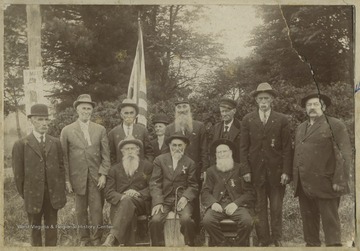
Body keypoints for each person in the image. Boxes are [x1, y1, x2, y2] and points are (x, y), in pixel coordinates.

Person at [293, 91, 352, 247]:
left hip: (326, 182)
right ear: (305, 108)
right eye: (309, 105)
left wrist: (339, 180)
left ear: (323, 107)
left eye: (316, 104)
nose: (312, 107)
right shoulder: (301, 128)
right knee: (309, 225)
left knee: (330, 223)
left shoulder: (335, 124)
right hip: (304, 184)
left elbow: (344, 154)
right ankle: (312, 246)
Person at [239, 82, 292, 246]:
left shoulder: (282, 119)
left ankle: (277, 238)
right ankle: (263, 239)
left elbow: (287, 148)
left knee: (276, 207)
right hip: (256, 173)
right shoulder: (248, 119)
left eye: (266, 98)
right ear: (256, 100)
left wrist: (286, 171)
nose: (263, 101)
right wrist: (246, 170)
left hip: (276, 173)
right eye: (260, 98)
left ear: (272, 100)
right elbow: (243, 148)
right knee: (259, 207)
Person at [12, 104, 66, 246]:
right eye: (39, 119)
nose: (44, 123)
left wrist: (59, 190)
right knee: (34, 231)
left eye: (46, 120)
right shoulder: (21, 144)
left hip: (52, 195)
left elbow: (61, 169)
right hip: (33, 195)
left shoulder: (55, 143)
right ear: (32, 121)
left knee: (52, 229)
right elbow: (18, 175)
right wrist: (26, 193)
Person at [60, 94, 110, 246]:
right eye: (83, 108)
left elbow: (105, 155)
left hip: (96, 177)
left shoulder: (100, 129)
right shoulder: (67, 130)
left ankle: (96, 239)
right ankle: (84, 239)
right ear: (77, 109)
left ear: (92, 111)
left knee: (96, 210)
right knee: (80, 211)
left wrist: (103, 174)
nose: (86, 111)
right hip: (77, 177)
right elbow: (64, 159)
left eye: (89, 108)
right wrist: (67, 180)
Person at [164, 97, 209, 231]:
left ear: (189, 108)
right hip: (176, 171)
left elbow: (204, 149)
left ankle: (195, 229)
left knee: (193, 197)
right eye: (179, 107)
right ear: (175, 110)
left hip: (195, 169)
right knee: (179, 197)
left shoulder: (199, 126)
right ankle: (179, 229)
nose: (182, 110)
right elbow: (165, 152)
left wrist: (204, 169)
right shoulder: (170, 128)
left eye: (184, 106)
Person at [202, 139, 255, 246]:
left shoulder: (240, 168)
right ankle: (223, 243)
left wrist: (236, 204)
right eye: (219, 152)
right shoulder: (211, 171)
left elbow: (250, 193)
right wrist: (213, 203)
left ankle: (239, 245)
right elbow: (205, 192)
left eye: (224, 151)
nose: (222, 154)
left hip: (237, 206)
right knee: (207, 220)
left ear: (230, 152)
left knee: (247, 221)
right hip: (218, 206)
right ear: (216, 155)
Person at [149, 132, 198, 246]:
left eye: (180, 145)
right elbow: (155, 183)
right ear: (169, 146)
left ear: (185, 146)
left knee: (187, 220)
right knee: (155, 221)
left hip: (181, 199)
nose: (177, 148)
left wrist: (186, 197)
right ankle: (158, 247)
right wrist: (157, 202)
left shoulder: (190, 163)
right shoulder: (159, 160)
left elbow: (193, 185)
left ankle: (189, 245)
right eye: (174, 145)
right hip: (164, 199)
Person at [102, 136, 153, 246]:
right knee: (127, 203)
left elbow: (153, 188)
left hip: (141, 203)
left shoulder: (147, 166)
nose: (130, 151)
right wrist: (122, 197)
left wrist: (138, 193)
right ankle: (130, 246)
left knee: (127, 202)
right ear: (122, 151)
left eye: (133, 148)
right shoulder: (114, 169)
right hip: (122, 204)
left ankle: (112, 237)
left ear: (138, 150)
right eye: (127, 149)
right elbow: (108, 192)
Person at [108, 99, 154, 164]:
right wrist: (116, 169)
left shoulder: (143, 130)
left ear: (136, 115)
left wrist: (145, 166)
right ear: (121, 115)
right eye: (126, 113)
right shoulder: (113, 133)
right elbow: (111, 155)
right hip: (120, 171)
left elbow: (149, 152)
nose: (129, 116)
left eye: (131, 113)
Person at [208, 98, 241, 165]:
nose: (224, 114)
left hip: (236, 166)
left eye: (227, 111)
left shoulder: (241, 127)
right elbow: (211, 150)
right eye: (222, 111)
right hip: (219, 166)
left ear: (234, 111)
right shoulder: (215, 128)